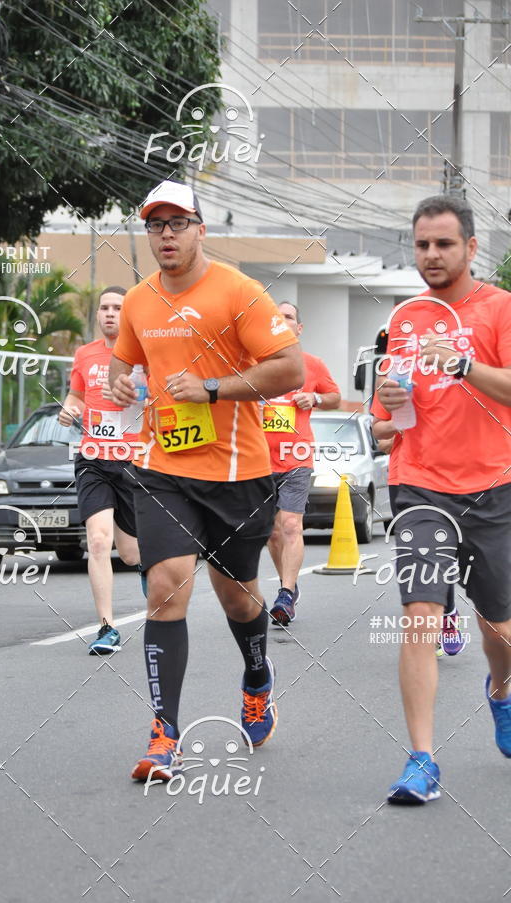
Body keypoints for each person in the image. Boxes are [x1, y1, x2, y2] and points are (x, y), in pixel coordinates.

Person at [107, 179, 304, 782]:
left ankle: (255, 677)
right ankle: (164, 732)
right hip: (163, 468)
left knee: (237, 596)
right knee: (165, 586)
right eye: (154, 225)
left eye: (176, 223)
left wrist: (215, 388)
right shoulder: (139, 300)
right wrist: (118, 384)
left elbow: (289, 368)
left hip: (238, 474)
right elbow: (123, 361)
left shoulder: (238, 293)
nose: (165, 234)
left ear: (200, 229)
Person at [372, 195, 511, 804]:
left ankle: (502, 689)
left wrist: (460, 364)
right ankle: (422, 759)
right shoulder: (405, 319)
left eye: (444, 244)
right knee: (421, 616)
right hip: (420, 482)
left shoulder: (500, 310)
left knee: (498, 626)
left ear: (471, 248)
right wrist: (386, 405)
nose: (431, 255)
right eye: (423, 244)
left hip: (494, 484)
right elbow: (384, 423)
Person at [59, 286, 140, 654]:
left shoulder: (142, 354)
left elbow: (157, 397)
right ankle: (106, 627)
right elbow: (76, 395)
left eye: (117, 308)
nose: (109, 313)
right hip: (92, 458)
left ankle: (148, 571)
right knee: (97, 541)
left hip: (133, 461)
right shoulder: (84, 354)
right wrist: (70, 409)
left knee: (131, 554)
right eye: (104, 308)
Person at [264, 301, 340, 625]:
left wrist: (316, 398)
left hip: (296, 457)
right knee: (271, 534)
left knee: (291, 525)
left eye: (289, 317)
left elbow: (334, 396)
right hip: (259, 462)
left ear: (299, 327)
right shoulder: (256, 364)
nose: (282, 322)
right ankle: (289, 586)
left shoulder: (313, 364)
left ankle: (284, 594)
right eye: (276, 318)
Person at [371, 419, 467, 657]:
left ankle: (447, 612)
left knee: (446, 555)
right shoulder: (399, 383)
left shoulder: (460, 384)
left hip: (452, 478)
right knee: (418, 556)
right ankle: (437, 622)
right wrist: (407, 429)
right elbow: (382, 441)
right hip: (405, 480)